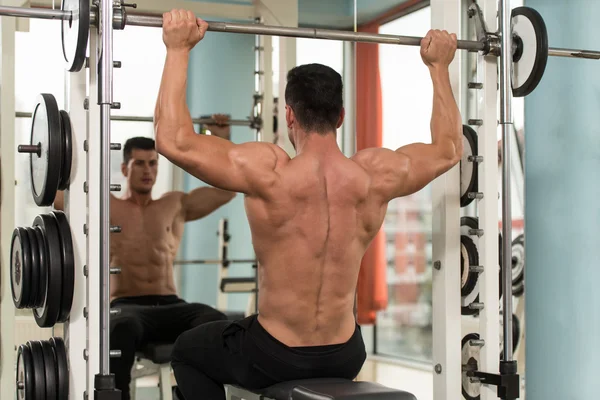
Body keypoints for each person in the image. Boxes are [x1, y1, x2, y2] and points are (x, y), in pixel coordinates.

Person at [154, 9, 461, 400]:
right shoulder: (374, 176)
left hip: (274, 354)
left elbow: (172, 140)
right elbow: (449, 149)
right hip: (346, 354)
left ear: (289, 116)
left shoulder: (269, 172)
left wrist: (177, 48)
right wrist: (439, 67)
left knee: (188, 350)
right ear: (341, 116)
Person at [54, 127, 237, 400]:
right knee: (122, 328)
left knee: (215, 322)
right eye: (139, 163)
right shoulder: (106, 206)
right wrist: (65, 146)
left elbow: (228, 188)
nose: (147, 170)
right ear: (125, 169)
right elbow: (57, 195)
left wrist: (220, 140)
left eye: (153, 163)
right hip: (128, 307)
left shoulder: (175, 205)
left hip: (172, 305)